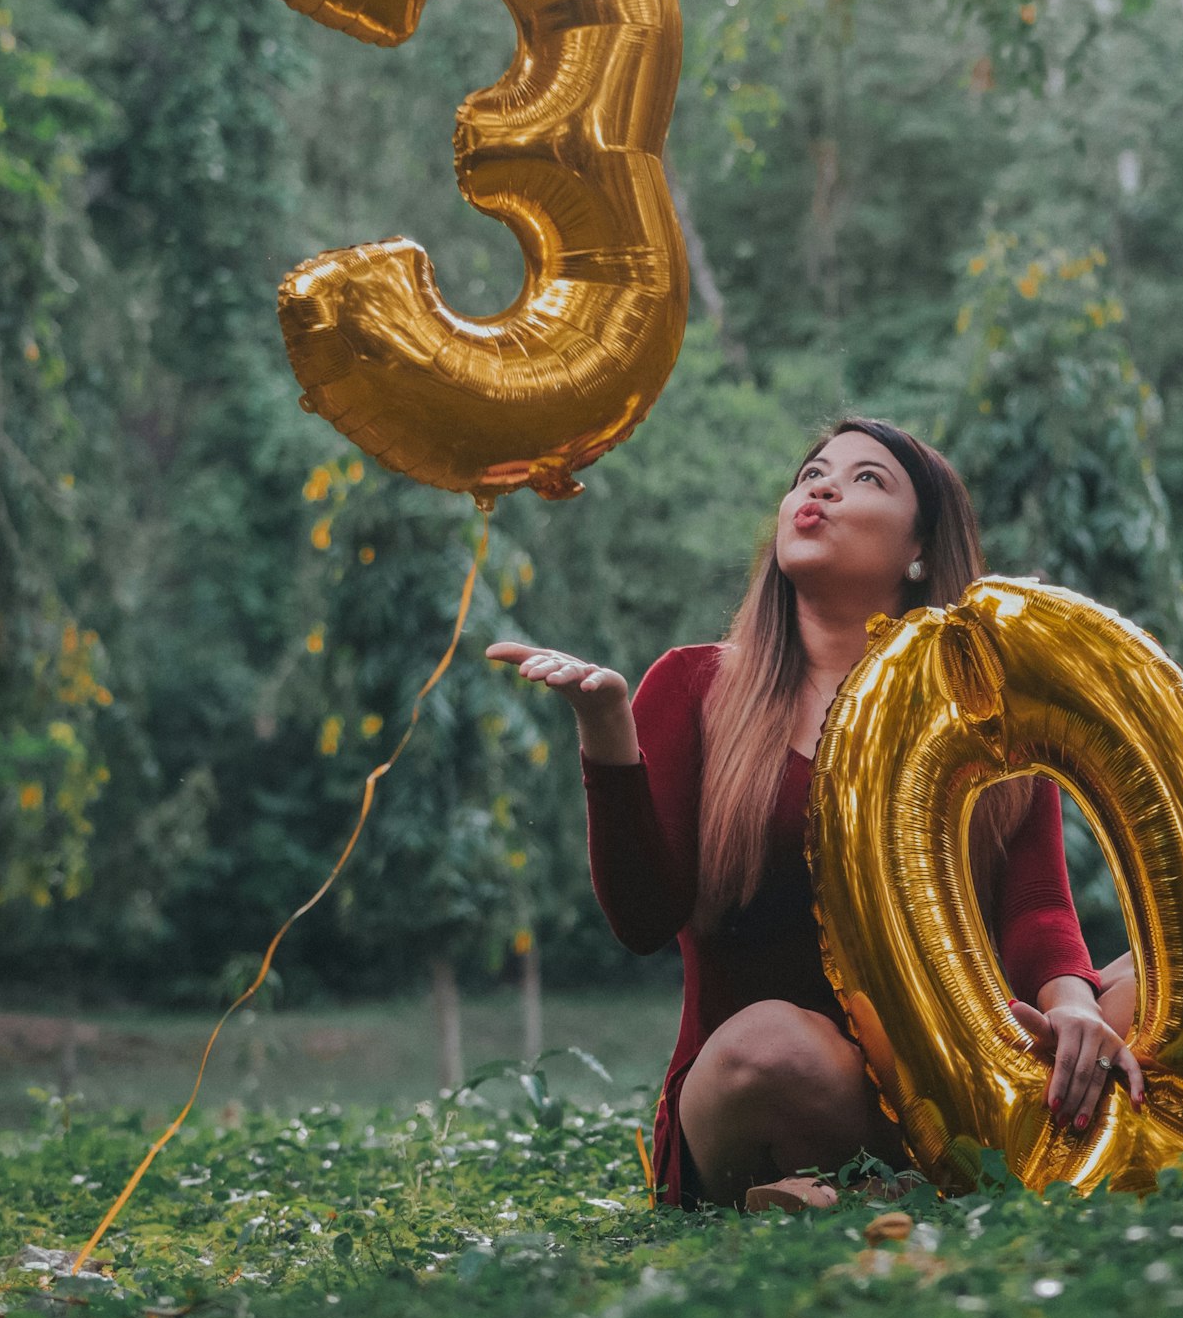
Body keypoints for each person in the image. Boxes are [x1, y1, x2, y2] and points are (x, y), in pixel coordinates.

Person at [487, 418, 1140, 1212]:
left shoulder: (984, 713)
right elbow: (643, 920)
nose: (821, 487)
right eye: (812, 473)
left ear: (921, 551)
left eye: (868, 479)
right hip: (773, 1086)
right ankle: (914, 1185)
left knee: (1147, 982)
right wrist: (605, 731)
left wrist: (1071, 1009)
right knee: (772, 1045)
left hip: (955, 1074)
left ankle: (866, 1192)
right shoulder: (694, 687)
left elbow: (1037, 909)